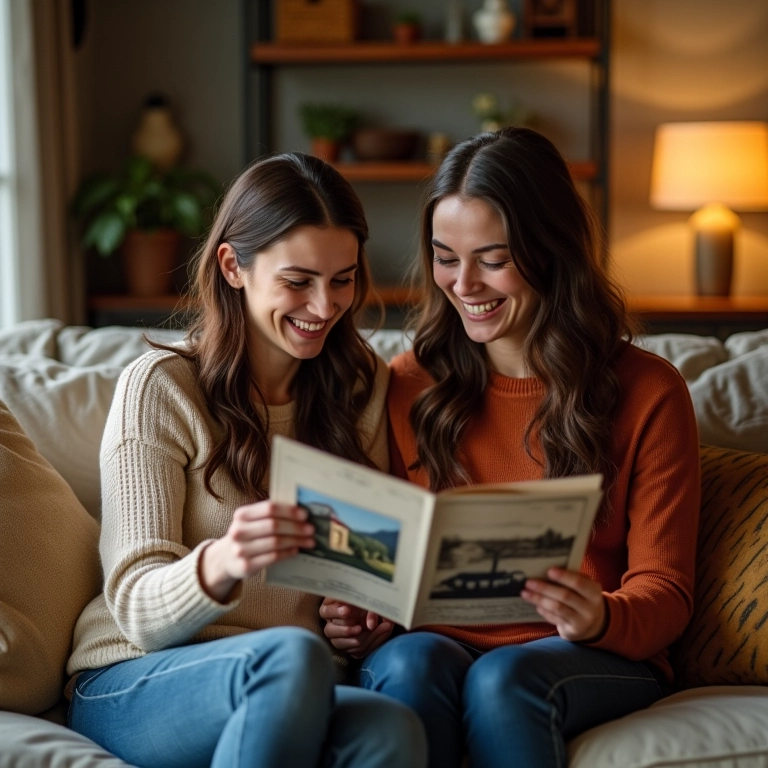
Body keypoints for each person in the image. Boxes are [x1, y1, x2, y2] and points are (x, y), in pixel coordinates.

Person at [321, 127, 700, 768]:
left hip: (584, 651)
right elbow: (383, 559)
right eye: (446, 256)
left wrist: (601, 618)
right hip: (437, 641)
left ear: (551, 251)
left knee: (503, 680)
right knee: (409, 661)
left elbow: (666, 589)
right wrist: (362, 611)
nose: (463, 283)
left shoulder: (649, 392)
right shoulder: (408, 382)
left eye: (492, 259)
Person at [66, 153, 427, 768]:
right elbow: (133, 606)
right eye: (298, 281)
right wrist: (225, 561)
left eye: (342, 279)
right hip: (137, 676)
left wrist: (357, 618)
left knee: (391, 729)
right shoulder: (161, 388)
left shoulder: (359, 384)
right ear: (234, 266)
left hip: (298, 678)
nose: (324, 305)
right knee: (291, 657)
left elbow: (359, 575)